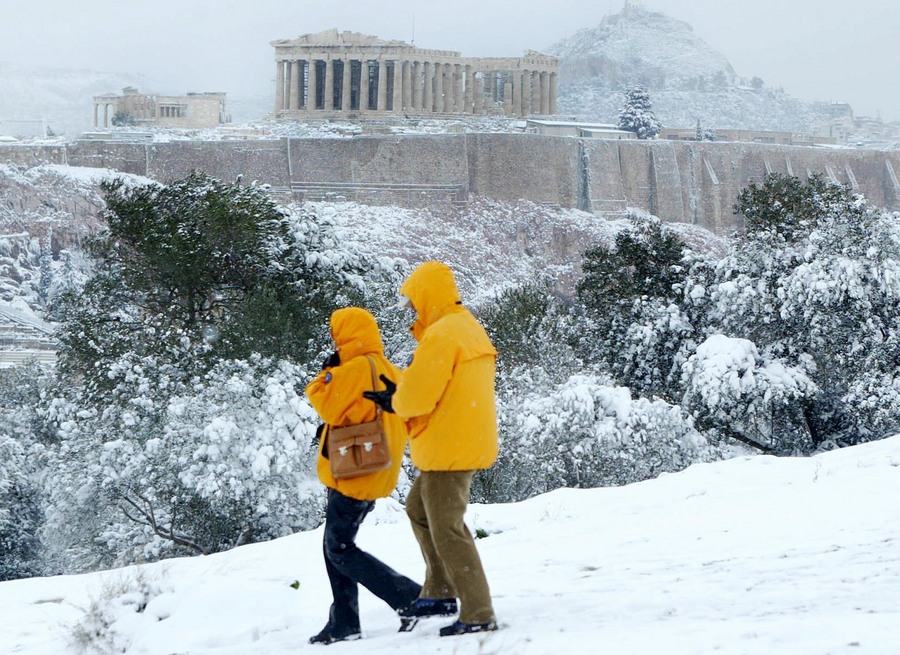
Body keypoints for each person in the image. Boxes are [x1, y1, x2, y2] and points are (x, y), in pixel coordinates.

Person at [364, 261, 500, 637]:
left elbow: (418, 398)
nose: (411, 308)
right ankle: (440, 589)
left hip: (448, 446)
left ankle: (478, 611)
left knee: (447, 528)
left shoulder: (442, 335)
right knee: (418, 508)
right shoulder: (463, 327)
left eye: (413, 300)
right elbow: (434, 382)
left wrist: (394, 401)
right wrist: (401, 390)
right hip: (459, 437)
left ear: (427, 296)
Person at [305, 307, 421, 645]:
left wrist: (328, 369)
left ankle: (411, 599)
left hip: (354, 472)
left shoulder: (352, 370)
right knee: (334, 546)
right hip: (374, 468)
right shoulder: (387, 367)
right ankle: (344, 621)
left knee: (339, 548)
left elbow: (320, 399)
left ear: (345, 335)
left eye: (336, 334)